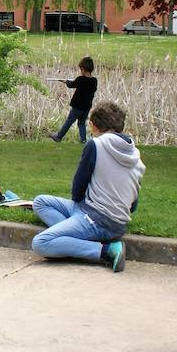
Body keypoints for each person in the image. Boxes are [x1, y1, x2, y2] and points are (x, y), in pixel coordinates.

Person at [31, 102, 145, 272]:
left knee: (40, 243)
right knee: (40, 202)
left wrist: (81, 212)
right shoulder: (135, 155)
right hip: (117, 222)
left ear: (92, 125)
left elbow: (78, 186)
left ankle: (106, 251)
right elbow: (133, 205)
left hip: (95, 218)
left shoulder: (95, 145)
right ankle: (78, 239)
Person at [50, 56, 97, 143]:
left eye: (81, 69)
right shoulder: (94, 81)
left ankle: (59, 136)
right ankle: (83, 140)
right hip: (86, 107)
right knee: (82, 123)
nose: (80, 71)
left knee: (69, 121)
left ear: (83, 69)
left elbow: (72, 85)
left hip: (77, 107)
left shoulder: (80, 79)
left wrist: (66, 82)